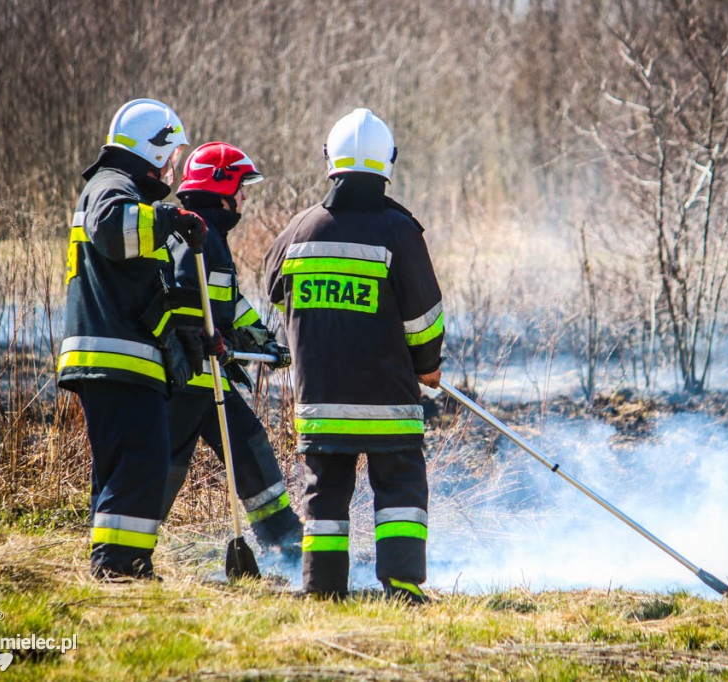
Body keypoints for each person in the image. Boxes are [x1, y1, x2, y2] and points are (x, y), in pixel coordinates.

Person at [263, 108, 445, 603]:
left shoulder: (298, 231)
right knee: (401, 489)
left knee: (324, 494)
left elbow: (274, 289)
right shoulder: (400, 232)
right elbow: (424, 315)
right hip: (387, 399)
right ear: (388, 161)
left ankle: (321, 588)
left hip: (321, 401)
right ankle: (402, 586)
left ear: (330, 160)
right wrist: (427, 363)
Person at [57, 98, 208, 580]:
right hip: (114, 359)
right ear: (152, 147)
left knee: (126, 466)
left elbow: (145, 290)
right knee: (142, 460)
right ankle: (120, 567)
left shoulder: (124, 191)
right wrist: (170, 220)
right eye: (171, 152)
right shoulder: (112, 187)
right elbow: (112, 231)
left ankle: (121, 564)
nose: (174, 164)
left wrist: (196, 340)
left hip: (118, 357)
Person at [161, 141, 302, 556]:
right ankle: (130, 540)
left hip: (208, 376)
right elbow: (187, 302)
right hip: (187, 377)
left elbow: (227, 305)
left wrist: (265, 342)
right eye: (242, 186)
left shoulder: (210, 235)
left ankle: (283, 535)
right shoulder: (195, 235)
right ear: (220, 186)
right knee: (168, 461)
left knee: (249, 443)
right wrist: (211, 343)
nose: (245, 196)